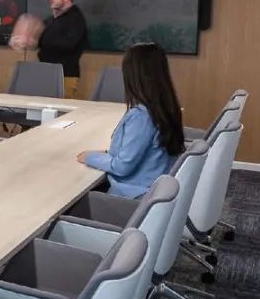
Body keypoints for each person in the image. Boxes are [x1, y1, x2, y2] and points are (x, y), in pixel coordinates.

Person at [77, 43, 185, 198]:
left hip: (132, 197)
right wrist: (107, 153)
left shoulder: (142, 116)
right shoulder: (165, 107)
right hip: (152, 191)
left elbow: (122, 167)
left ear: (133, 76)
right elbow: (137, 151)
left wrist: (88, 157)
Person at [38, 0, 88, 98]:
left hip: (65, 75)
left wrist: (43, 40)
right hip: (46, 73)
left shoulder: (75, 19)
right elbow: (40, 40)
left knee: (61, 108)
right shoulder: (51, 19)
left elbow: (68, 44)